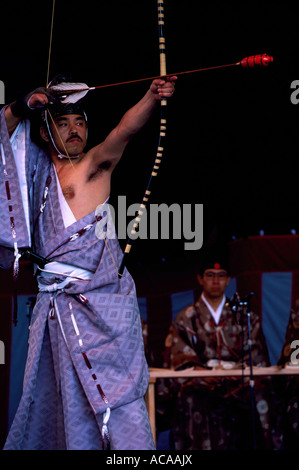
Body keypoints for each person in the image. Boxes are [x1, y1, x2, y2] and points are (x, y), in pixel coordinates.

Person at [0, 73, 176, 450]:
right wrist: (20, 104)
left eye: (80, 122)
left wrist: (151, 96)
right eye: (63, 123)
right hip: (54, 310)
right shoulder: (34, 173)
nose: (75, 130)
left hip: (98, 308)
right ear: (46, 133)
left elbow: (122, 133)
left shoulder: (94, 165)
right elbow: (3, 133)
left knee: (119, 402)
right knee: (65, 399)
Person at [160, 256, 280, 450]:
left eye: (221, 276)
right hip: (201, 384)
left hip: (237, 384)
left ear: (228, 280)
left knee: (259, 395)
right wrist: (203, 375)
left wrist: (235, 373)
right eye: (210, 276)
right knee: (190, 397)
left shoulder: (245, 316)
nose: (215, 281)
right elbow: (180, 358)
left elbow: (256, 355)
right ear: (200, 279)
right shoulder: (185, 318)